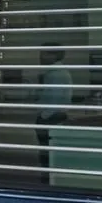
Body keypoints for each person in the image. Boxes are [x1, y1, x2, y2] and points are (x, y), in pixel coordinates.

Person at [35, 47, 74, 175]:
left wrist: (43, 117)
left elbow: (54, 98)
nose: (40, 57)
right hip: (55, 115)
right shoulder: (56, 72)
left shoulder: (55, 74)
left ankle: (47, 178)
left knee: (48, 153)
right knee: (49, 152)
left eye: (44, 54)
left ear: (54, 55)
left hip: (52, 117)